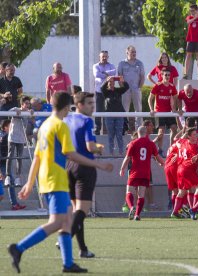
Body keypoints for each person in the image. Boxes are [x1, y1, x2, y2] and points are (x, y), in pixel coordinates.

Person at [7, 92, 113, 274]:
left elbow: (37, 158)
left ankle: (68, 263)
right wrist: (98, 164)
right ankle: (19, 248)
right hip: (56, 179)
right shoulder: (60, 126)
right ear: (66, 108)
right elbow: (71, 154)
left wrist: (30, 183)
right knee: (57, 222)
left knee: (65, 221)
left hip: (46, 178)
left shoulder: (45, 125)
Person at [63, 92, 104, 258]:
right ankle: (64, 237)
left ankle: (83, 249)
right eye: (89, 103)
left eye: (93, 103)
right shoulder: (87, 121)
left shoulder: (66, 119)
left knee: (77, 210)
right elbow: (90, 146)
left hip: (69, 166)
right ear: (79, 104)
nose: (92, 106)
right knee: (82, 211)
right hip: (85, 167)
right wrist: (99, 148)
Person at [120, 126, 164, 221]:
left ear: (138, 133)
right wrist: (163, 163)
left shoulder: (133, 143)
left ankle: (132, 207)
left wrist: (122, 168)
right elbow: (157, 157)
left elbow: (127, 158)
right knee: (141, 194)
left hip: (135, 172)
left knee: (129, 191)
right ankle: (137, 215)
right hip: (145, 173)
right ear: (146, 133)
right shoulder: (151, 144)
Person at [171, 127, 198, 218]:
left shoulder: (183, 142)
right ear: (189, 136)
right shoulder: (193, 147)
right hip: (187, 169)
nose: (196, 136)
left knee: (184, 191)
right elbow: (197, 158)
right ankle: (194, 209)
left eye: (196, 134)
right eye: (194, 135)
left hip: (180, 169)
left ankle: (175, 211)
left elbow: (176, 140)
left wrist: (177, 153)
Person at [148, 68, 178, 156]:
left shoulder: (172, 87)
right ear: (162, 75)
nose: (167, 77)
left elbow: (176, 99)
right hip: (159, 112)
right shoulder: (157, 86)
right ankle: (157, 149)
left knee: (174, 129)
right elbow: (150, 99)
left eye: (169, 75)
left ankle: (171, 149)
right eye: (165, 75)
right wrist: (151, 109)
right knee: (161, 133)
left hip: (169, 112)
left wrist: (176, 109)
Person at [5, 96, 33, 187]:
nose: (28, 105)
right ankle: (8, 177)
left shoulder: (28, 112)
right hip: (12, 137)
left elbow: (33, 118)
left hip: (21, 139)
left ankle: (18, 177)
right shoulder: (16, 108)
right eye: (26, 103)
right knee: (10, 156)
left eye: (29, 103)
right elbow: (7, 113)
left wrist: (31, 113)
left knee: (19, 158)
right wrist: (15, 113)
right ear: (22, 104)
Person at [0, 119, 26, 210]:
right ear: (5, 127)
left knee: (10, 182)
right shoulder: (5, 136)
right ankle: (14, 204)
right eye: (10, 126)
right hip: (2, 163)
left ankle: (14, 204)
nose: (12, 128)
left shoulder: (8, 136)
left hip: (4, 163)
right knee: (10, 182)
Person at [118, 45, 145, 129]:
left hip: (136, 89)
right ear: (127, 52)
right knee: (125, 110)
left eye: (135, 52)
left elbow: (142, 76)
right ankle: (124, 128)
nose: (134, 53)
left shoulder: (139, 63)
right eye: (132, 52)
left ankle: (139, 129)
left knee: (138, 110)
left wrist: (139, 88)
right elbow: (119, 77)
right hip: (126, 90)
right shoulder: (122, 63)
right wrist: (123, 88)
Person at [101, 76, 129, 156]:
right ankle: (111, 153)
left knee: (119, 134)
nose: (111, 83)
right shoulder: (106, 92)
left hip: (119, 115)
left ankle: (121, 153)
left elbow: (126, 87)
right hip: (109, 116)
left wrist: (122, 81)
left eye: (113, 82)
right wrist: (107, 80)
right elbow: (101, 88)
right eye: (110, 82)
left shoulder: (118, 91)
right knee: (111, 135)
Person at [93, 50, 116, 135]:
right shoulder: (95, 66)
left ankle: (108, 130)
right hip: (99, 92)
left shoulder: (111, 65)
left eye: (106, 56)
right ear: (99, 57)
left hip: (109, 92)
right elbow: (96, 75)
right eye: (103, 56)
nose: (104, 58)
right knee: (99, 110)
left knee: (108, 111)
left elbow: (114, 72)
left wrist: (103, 73)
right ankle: (97, 129)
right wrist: (107, 75)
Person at [183, 4, 198, 80]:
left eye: (193, 10)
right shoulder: (189, 17)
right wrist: (194, 17)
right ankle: (185, 74)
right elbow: (188, 22)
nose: (191, 12)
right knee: (188, 56)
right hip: (190, 39)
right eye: (190, 11)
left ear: (196, 10)